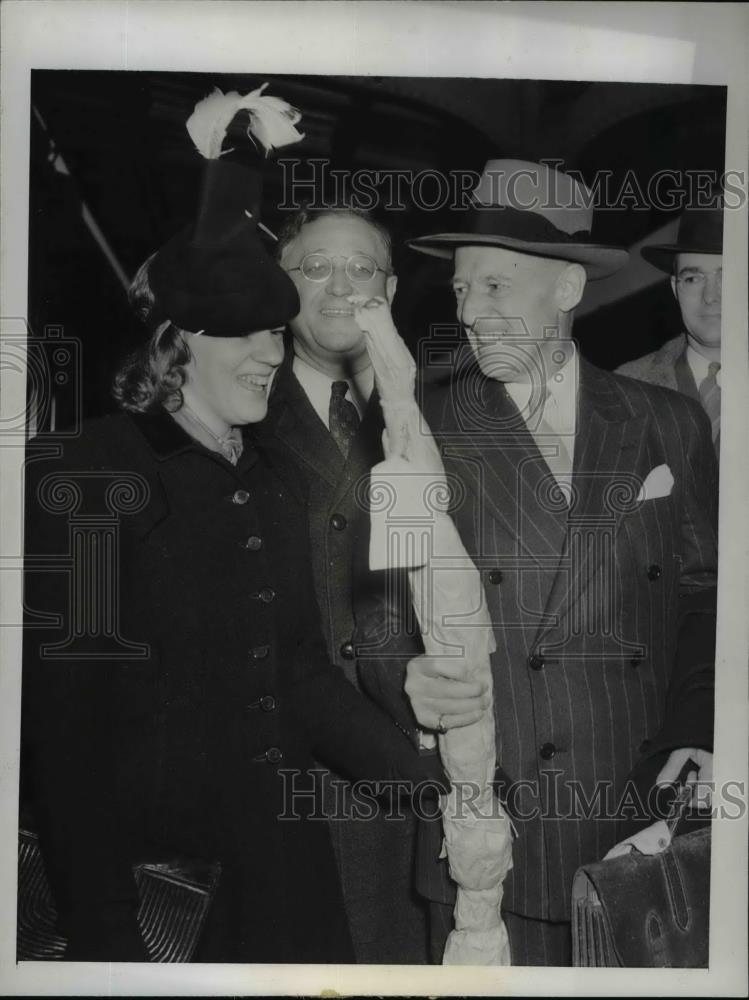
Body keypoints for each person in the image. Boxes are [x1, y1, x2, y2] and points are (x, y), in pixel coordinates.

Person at [20, 106, 445, 964]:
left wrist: (434, 787)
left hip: (282, 871)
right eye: (244, 333)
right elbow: (65, 733)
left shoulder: (264, 479)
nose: (267, 353)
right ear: (177, 341)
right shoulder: (94, 473)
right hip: (162, 896)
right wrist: (105, 929)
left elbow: (297, 674)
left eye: (271, 330)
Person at [387, 160, 718, 965]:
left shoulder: (663, 420)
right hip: (492, 828)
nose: (470, 312)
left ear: (568, 289)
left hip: (639, 820)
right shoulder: (414, 421)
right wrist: (403, 672)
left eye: (496, 287)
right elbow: (379, 601)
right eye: (462, 290)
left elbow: (706, 596)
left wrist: (696, 731)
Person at [253, 206, 430, 963]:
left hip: (421, 766)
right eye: (314, 266)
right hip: (298, 776)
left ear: (389, 288)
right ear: (279, 283)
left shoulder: (430, 411)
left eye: (361, 269)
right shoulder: (240, 410)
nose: (339, 287)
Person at [616, 199, 723, 459]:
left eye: (726, 275)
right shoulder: (623, 390)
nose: (710, 296)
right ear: (675, 288)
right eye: (693, 278)